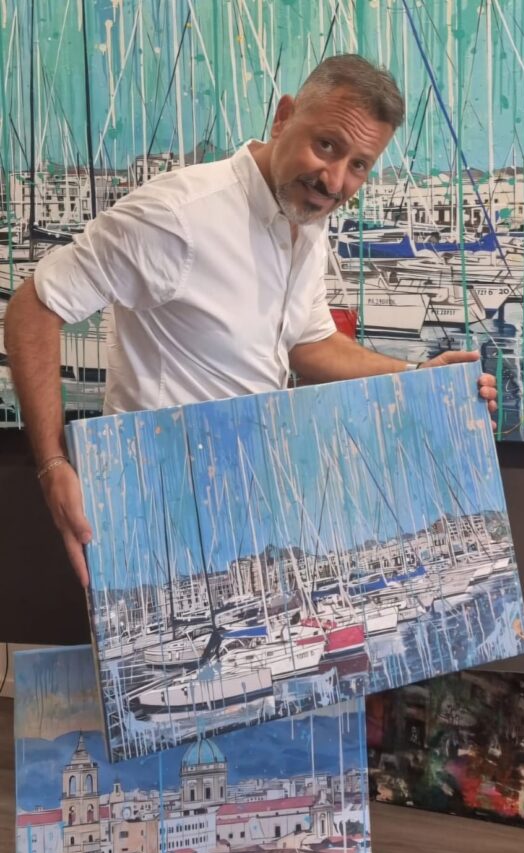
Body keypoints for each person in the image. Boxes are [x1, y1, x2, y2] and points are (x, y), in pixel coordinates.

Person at [5, 54, 497, 589]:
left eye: (359, 165)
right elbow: (33, 307)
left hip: (244, 501)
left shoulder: (305, 217)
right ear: (283, 117)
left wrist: (418, 377)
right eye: (326, 145)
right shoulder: (178, 216)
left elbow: (307, 343)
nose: (335, 180)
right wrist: (52, 464)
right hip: (156, 503)